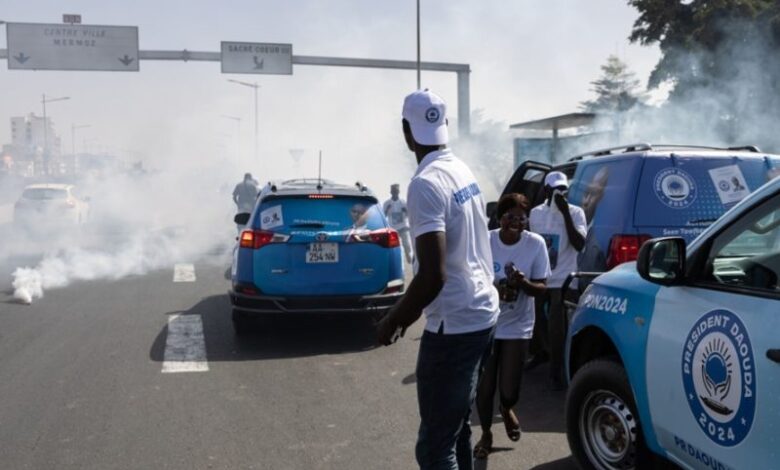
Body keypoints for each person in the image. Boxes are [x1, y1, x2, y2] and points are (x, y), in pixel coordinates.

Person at [377, 89, 499, 470]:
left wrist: (393, 320)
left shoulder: (425, 183)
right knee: (456, 427)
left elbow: (433, 275)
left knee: (434, 446)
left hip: (455, 326)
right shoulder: (460, 169)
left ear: (406, 132)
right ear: (444, 126)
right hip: (482, 314)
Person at [473, 193, 549, 460]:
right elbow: (472, 280)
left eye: (520, 218)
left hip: (518, 325)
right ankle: (485, 434)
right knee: (484, 387)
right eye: (509, 217)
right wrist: (497, 288)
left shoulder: (535, 244)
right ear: (499, 217)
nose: (515, 222)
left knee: (509, 390)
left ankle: (506, 408)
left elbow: (541, 288)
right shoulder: (486, 240)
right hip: (486, 323)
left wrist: (522, 283)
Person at [527, 171, 586, 390]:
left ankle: (557, 371)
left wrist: (565, 215)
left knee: (557, 326)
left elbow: (580, 244)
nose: (560, 195)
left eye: (564, 190)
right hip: (542, 276)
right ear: (546, 191)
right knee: (536, 322)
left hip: (564, 280)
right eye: (555, 191)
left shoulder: (576, 212)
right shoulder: (536, 214)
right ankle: (544, 353)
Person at [577, 166, 609, 287]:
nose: (586, 201)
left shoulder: (601, 238)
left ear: (603, 197)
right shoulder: (567, 223)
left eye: (594, 194)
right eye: (586, 193)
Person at [384, 183, 414, 263]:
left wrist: (406, 211)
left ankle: (410, 262)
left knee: (407, 246)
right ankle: (397, 262)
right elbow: (383, 216)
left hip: (403, 227)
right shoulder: (387, 203)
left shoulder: (403, 202)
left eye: (396, 191)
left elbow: (410, 215)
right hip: (393, 229)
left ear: (399, 192)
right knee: (395, 247)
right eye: (393, 191)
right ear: (391, 192)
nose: (395, 193)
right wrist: (387, 210)